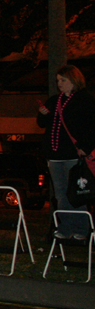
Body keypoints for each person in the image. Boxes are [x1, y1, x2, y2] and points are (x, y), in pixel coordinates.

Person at [37, 64, 95, 240]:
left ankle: (82, 228)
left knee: (76, 192)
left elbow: (92, 127)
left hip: (73, 155)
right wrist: (43, 114)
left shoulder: (85, 100)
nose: (59, 84)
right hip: (55, 156)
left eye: (63, 80)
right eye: (57, 81)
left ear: (73, 80)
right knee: (60, 193)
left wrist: (84, 148)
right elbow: (42, 124)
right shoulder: (55, 100)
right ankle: (65, 227)